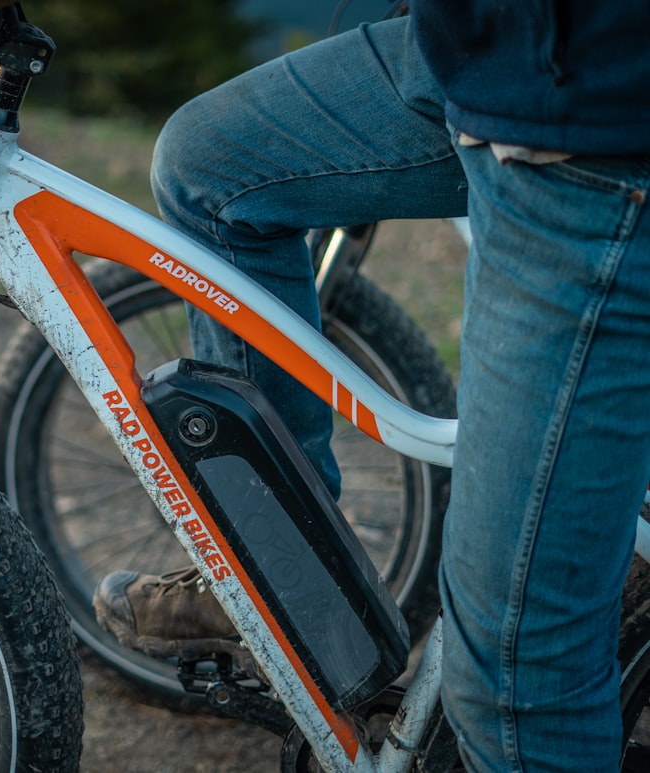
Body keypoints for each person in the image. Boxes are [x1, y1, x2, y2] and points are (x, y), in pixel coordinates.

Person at [93, 2, 650, 770]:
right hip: (486, 55)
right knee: (207, 168)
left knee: (516, 680)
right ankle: (277, 579)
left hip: (585, 120)